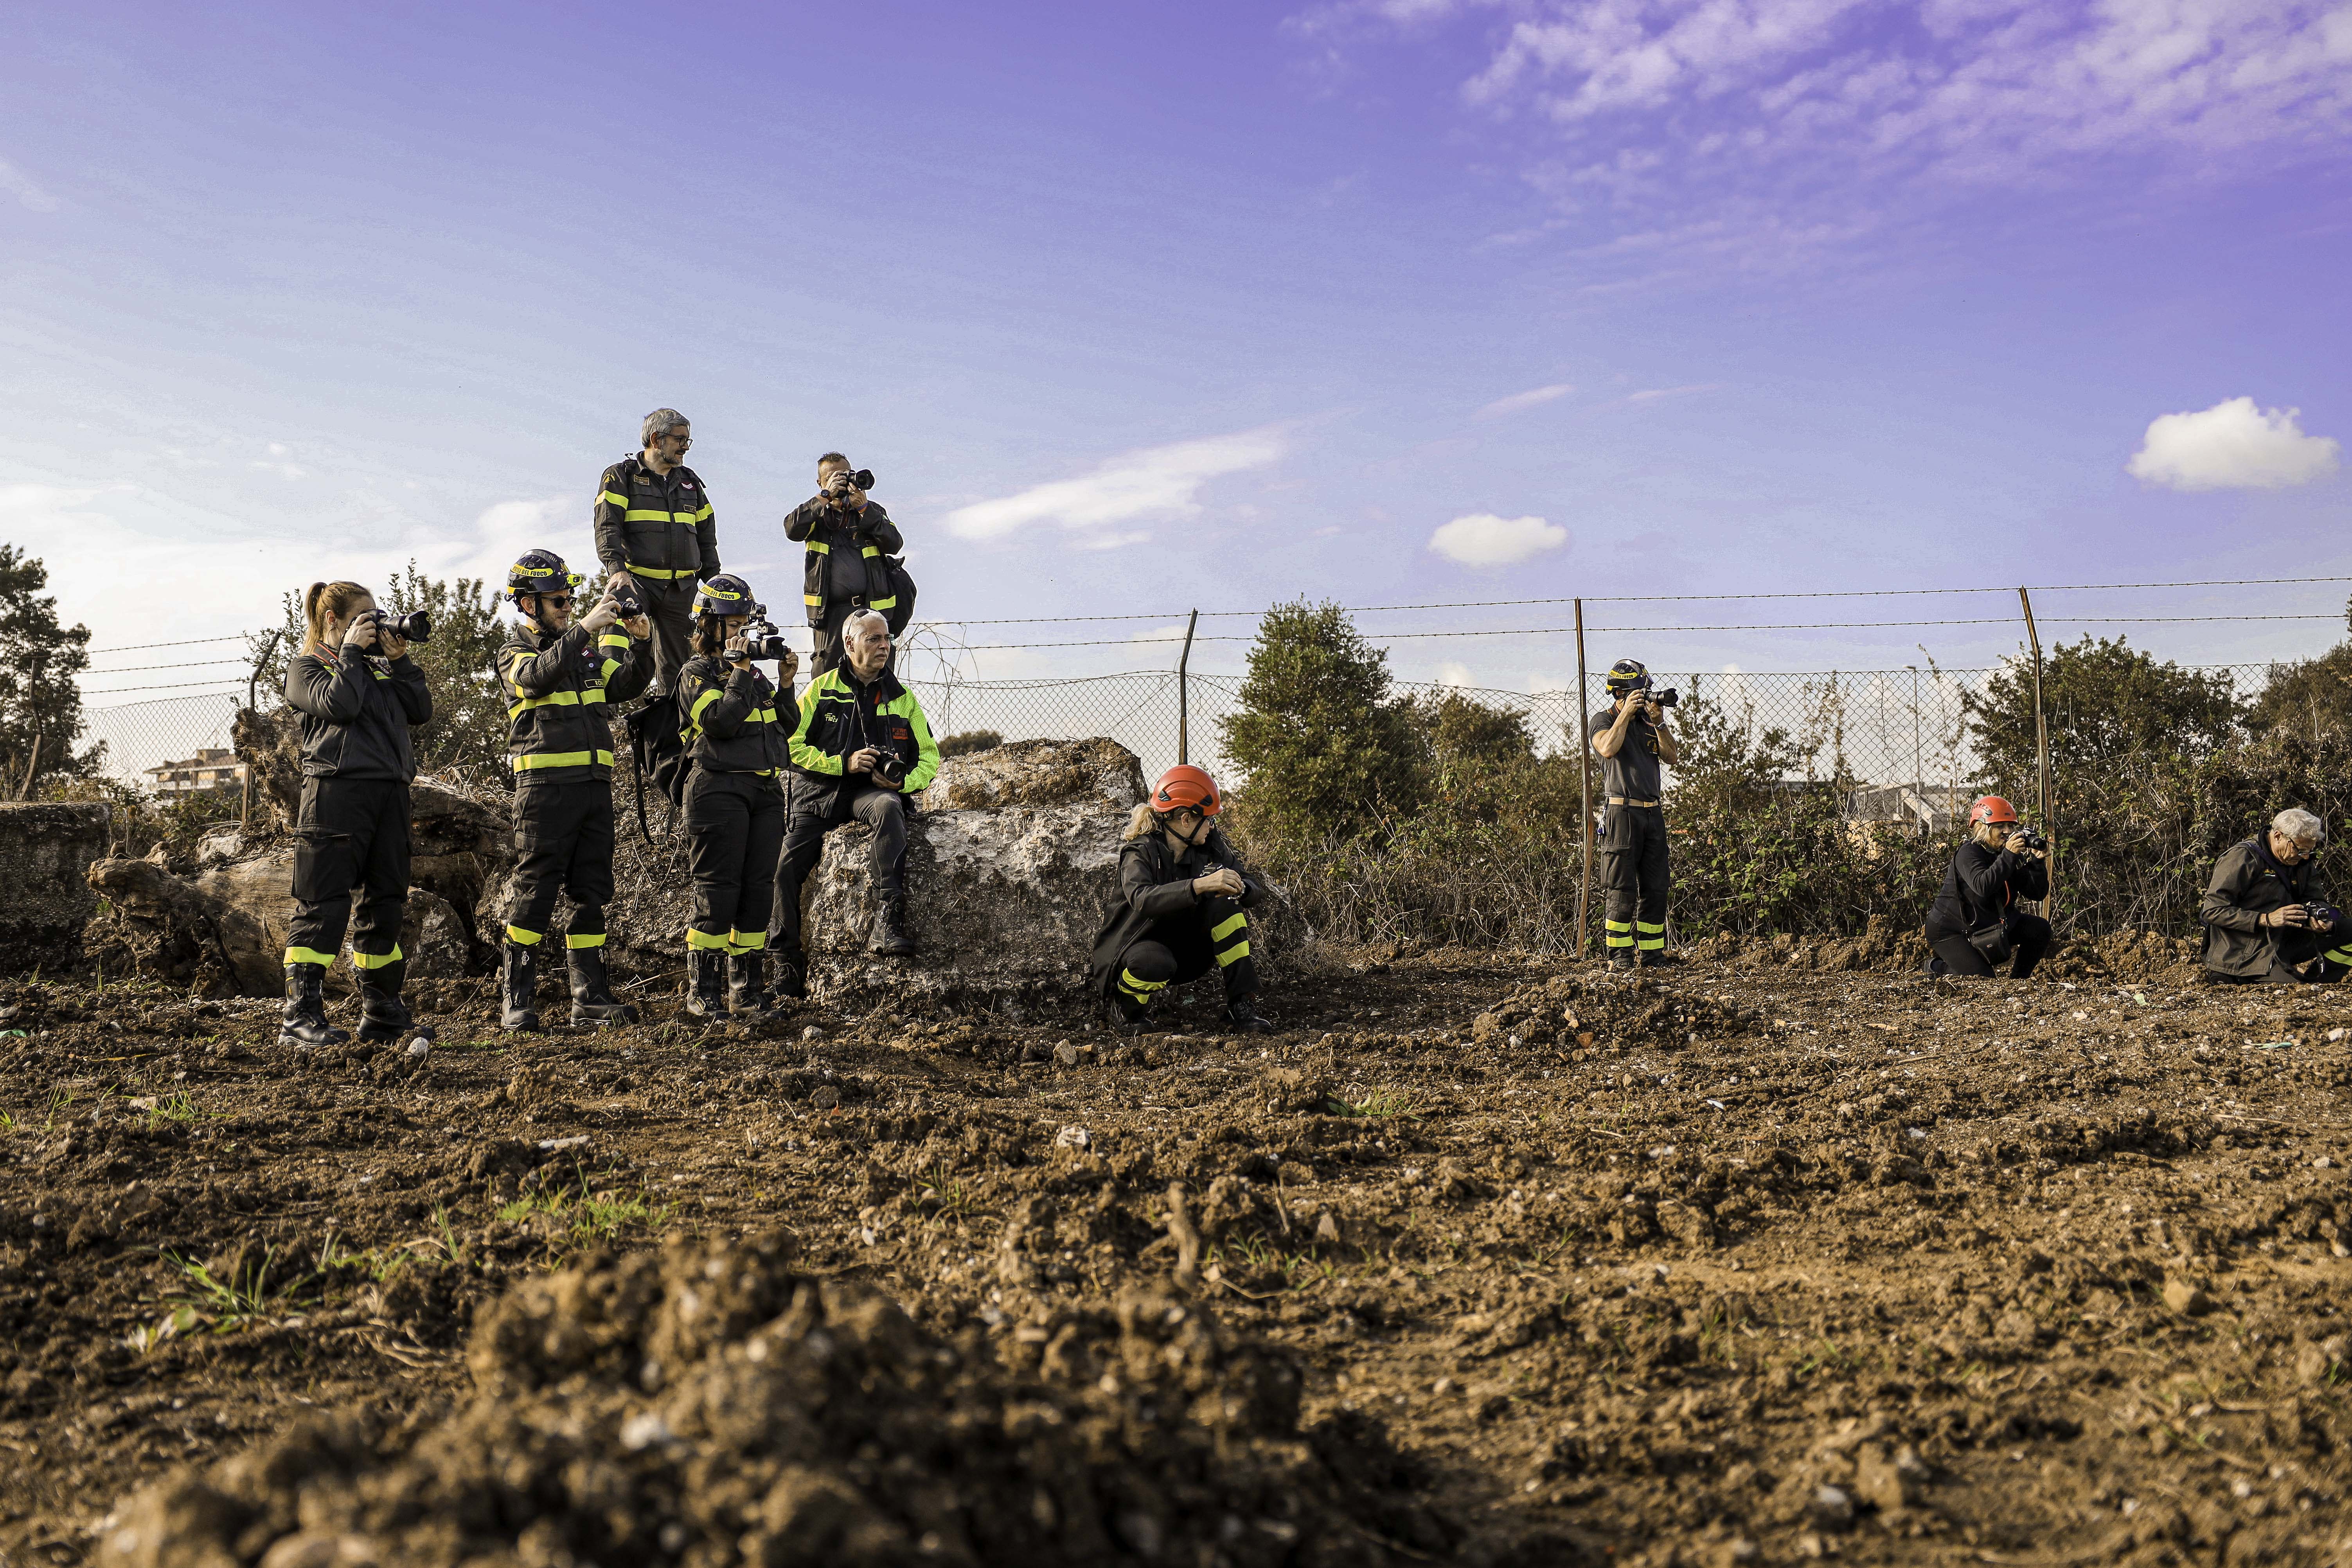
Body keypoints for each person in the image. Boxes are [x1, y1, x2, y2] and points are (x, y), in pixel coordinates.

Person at [493, 550, 655, 1031]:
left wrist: (641, 644)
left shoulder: (583, 650)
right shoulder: (514, 651)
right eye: (557, 598)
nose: (567, 605)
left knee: (591, 894)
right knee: (534, 892)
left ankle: (591, 998)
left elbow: (624, 683)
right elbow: (536, 677)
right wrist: (585, 627)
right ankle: (516, 1000)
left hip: (593, 788)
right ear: (527, 604)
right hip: (544, 791)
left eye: (570, 597)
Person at [278, 581, 433, 1049]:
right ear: (333, 621)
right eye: (366, 617)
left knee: (385, 904)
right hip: (335, 794)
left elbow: (421, 710)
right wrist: (348, 655)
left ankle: (382, 1013)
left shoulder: (378, 670)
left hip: (389, 796)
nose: (375, 624)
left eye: (377, 615)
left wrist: (400, 660)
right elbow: (339, 706)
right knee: (323, 904)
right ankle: (300, 1017)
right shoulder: (306, 668)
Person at [775, 609, 940, 978]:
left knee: (890, 806)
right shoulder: (821, 689)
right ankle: (785, 961)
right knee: (785, 868)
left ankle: (887, 923)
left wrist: (903, 783)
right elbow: (789, 746)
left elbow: (930, 758)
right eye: (874, 639)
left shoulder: (903, 699)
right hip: (819, 796)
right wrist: (842, 764)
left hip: (870, 795)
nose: (885, 646)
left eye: (887, 639)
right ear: (850, 644)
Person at [675, 574, 798, 1017]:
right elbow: (721, 722)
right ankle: (703, 994)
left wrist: (784, 683)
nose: (741, 632)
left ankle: (747, 992)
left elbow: (788, 726)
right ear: (707, 625)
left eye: (745, 622)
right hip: (718, 788)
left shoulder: (753, 675)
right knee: (718, 891)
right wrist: (742, 672)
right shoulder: (697, 673)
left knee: (757, 894)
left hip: (764, 789)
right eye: (732, 624)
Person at [1090, 765, 1276, 1035]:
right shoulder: (1140, 851)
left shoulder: (1210, 843)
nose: (1213, 826)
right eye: (1209, 819)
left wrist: (1241, 889)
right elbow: (1143, 899)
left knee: (1227, 906)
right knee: (1154, 963)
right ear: (1186, 819)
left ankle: (1241, 1005)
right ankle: (1125, 1009)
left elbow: (1252, 887)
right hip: (1138, 948)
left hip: (1186, 951)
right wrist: (1200, 885)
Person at [593, 408, 720, 697]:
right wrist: (617, 569)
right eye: (680, 439)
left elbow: (707, 539)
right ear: (656, 440)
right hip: (637, 582)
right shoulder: (620, 476)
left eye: (688, 440)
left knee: (683, 670)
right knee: (617, 635)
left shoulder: (691, 484)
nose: (686, 446)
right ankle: (605, 706)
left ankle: (674, 732)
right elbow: (606, 527)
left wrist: (715, 584)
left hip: (682, 590)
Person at [1590, 658, 1680, 969]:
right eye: (1642, 693)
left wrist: (1660, 722)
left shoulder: (1648, 723)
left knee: (1656, 888)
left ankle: (1653, 957)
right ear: (1623, 693)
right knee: (1621, 890)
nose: (1648, 697)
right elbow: (1607, 748)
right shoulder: (1603, 720)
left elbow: (1672, 757)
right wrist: (1626, 714)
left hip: (1653, 815)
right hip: (1621, 814)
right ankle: (1621, 958)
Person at [782, 452, 904, 677]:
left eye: (846, 475)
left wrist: (864, 509)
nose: (842, 481)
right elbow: (792, 529)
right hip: (830, 614)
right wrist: (825, 497)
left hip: (872, 611)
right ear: (821, 482)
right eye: (834, 477)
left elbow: (895, 543)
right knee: (826, 678)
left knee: (877, 677)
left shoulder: (871, 510)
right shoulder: (816, 514)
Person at [2199, 808, 2348, 985]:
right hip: (2245, 950)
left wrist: (2321, 918)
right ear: (2278, 836)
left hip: (2284, 940)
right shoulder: (2243, 857)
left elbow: (2315, 898)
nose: (2306, 856)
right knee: (2292, 990)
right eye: (2301, 850)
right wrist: (2266, 919)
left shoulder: (2301, 860)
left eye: (2309, 851)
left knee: (2347, 928)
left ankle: (2321, 982)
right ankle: (2236, 974)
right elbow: (2212, 911)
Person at [1920, 795, 2052, 978]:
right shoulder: (1969, 853)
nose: (2008, 832)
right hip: (1952, 929)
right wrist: (2008, 855)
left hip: (1987, 923)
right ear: (1984, 827)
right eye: (2000, 827)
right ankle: (1937, 967)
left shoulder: (2009, 855)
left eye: (2011, 826)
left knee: (2040, 929)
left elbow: (2037, 894)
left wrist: (2037, 863)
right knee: (1983, 979)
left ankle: (2018, 980)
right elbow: (1983, 886)